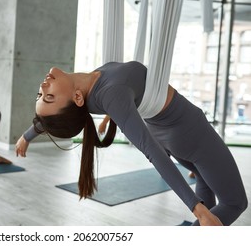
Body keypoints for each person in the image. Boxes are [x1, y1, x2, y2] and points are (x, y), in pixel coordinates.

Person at [15, 61, 248, 226]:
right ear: (76, 98)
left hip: (175, 136)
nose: (43, 88)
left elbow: (53, 119)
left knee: (206, 187)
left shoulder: (93, 88)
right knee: (235, 203)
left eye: (40, 95)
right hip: (192, 134)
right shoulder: (110, 94)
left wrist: (27, 135)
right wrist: (197, 209)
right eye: (49, 96)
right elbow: (152, 152)